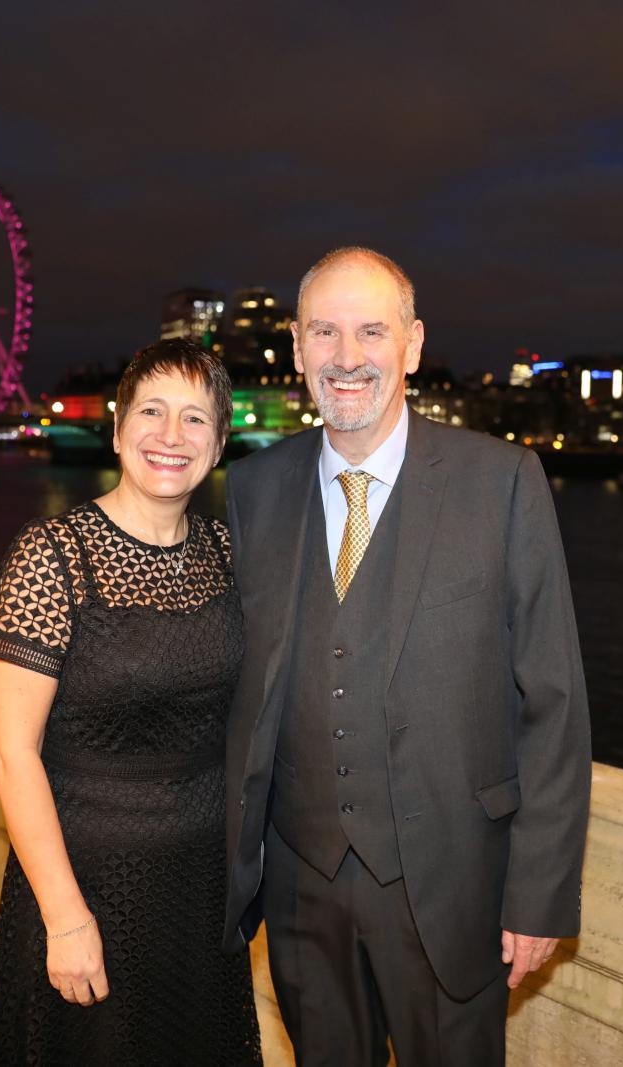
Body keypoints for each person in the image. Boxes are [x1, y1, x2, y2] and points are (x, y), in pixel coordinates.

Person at [223, 247, 592, 1065]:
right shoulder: (253, 489)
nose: (347, 356)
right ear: (296, 347)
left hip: (453, 887)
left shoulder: (502, 481)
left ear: (413, 344)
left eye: (371, 331)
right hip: (300, 887)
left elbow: (555, 702)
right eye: (325, 332)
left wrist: (538, 892)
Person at [0, 340, 261, 1065]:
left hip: (203, 888)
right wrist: (65, 916)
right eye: (152, 411)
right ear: (117, 428)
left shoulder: (229, 554)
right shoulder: (52, 558)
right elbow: (10, 750)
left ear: (219, 443)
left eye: (195, 418)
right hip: (90, 883)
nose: (172, 435)